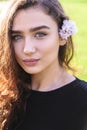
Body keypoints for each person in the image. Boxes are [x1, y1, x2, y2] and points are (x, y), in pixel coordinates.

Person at [0, 0, 87, 130]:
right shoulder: (4, 91)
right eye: (17, 37)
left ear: (62, 36)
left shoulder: (82, 99)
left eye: (40, 34)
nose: (27, 49)